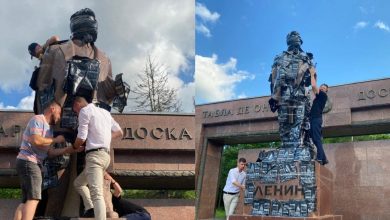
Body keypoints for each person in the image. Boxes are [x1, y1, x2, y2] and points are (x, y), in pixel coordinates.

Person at [13, 101, 77, 220]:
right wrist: (55, 140)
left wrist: (71, 149)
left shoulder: (49, 130)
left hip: (29, 163)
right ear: (52, 109)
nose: (59, 118)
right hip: (29, 162)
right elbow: (36, 140)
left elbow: (50, 153)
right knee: (34, 198)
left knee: (26, 200)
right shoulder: (38, 119)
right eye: (59, 113)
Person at [72, 96, 123, 219]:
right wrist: (104, 138)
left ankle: (97, 214)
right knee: (78, 183)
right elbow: (119, 132)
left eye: (75, 110)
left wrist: (74, 147)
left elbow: (82, 137)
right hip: (105, 156)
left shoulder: (85, 111)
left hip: (94, 157)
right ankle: (90, 208)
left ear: (77, 104)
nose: (76, 112)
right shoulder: (105, 112)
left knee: (97, 194)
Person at [309, 68, 329, 165]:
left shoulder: (323, 95)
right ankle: (324, 159)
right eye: (321, 86)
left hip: (316, 119)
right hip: (313, 119)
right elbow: (315, 87)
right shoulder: (319, 96)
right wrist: (315, 76)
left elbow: (313, 86)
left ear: (326, 91)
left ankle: (320, 158)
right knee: (314, 138)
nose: (322, 88)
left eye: (324, 88)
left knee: (316, 138)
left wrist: (312, 74)